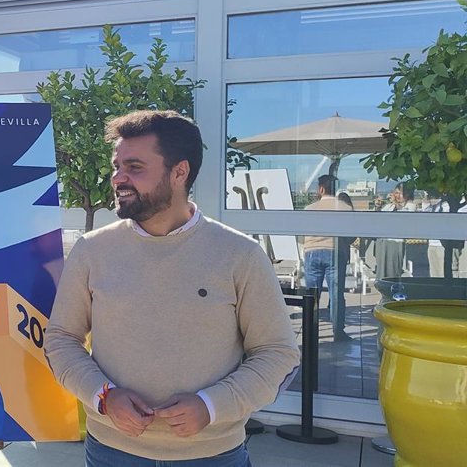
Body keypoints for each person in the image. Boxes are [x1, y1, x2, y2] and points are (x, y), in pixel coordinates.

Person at [46, 110, 300, 466]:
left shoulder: (240, 254)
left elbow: (277, 354)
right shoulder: (92, 250)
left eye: (134, 167)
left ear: (180, 172)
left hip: (212, 455)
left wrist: (212, 406)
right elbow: (61, 340)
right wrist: (104, 396)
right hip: (111, 453)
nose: (118, 178)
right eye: (117, 166)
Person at [301, 176, 354, 342]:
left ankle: (310, 332)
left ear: (321, 189)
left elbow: (302, 232)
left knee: (312, 295)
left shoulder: (309, 209)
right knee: (336, 294)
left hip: (312, 252)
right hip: (335, 252)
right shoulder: (345, 208)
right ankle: (338, 332)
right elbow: (352, 235)